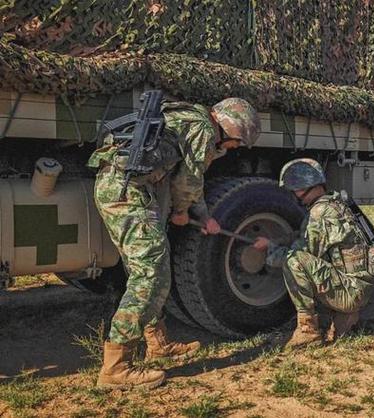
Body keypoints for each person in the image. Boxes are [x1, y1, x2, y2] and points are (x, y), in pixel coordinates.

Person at [87, 97, 261, 389]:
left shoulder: (189, 119)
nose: (234, 149)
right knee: (151, 274)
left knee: (144, 268)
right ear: (230, 128)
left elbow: (187, 177)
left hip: (120, 190)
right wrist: (182, 212)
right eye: (238, 143)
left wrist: (203, 216)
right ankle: (116, 368)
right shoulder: (204, 130)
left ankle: (158, 342)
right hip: (129, 195)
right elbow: (188, 182)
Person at [252, 158, 374, 348]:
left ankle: (308, 331)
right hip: (359, 286)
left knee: (293, 261)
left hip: (350, 292)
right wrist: (276, 240)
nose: (294, 194)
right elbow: (303, 236)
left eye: (295, 189)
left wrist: (270, 249)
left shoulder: (319, 214)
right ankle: (342, 316)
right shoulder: (334, 204)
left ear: (305, 186)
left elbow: (301, 254)